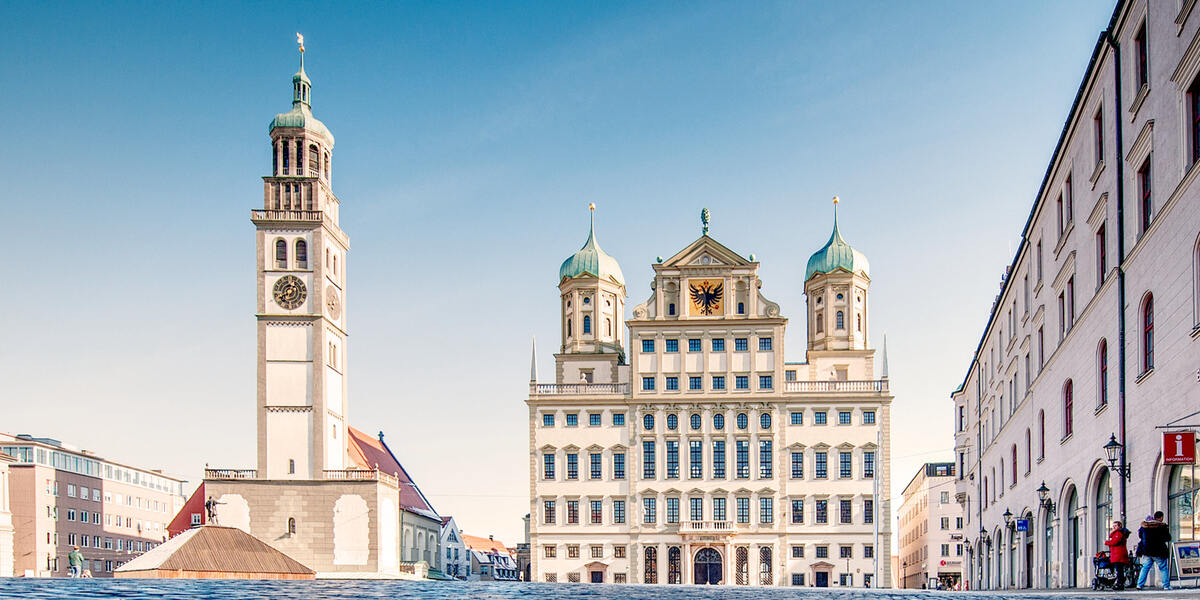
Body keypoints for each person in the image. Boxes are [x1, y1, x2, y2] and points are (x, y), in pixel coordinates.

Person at [1136, 511, 1172, 590]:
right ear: (1161, 518)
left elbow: (1140, 536)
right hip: (1159, 551)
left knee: (1145, 568)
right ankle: (1166, 586)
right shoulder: (1161, 526)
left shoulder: (1144, 526)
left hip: (1147, 551)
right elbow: (1168, 538)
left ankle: (1139, 584)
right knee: (1163, 568)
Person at [1104, 520, 1130, 589]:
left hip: (1118, 554)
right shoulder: (1119, 533)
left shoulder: (1118, 533)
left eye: (1115, 526)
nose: (1114, 527)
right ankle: (1120, 582)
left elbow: (1114, 542)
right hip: (1118, 554)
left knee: (1119, 570)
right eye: (1113, 526)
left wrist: (1107, 542)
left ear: (1119, 526)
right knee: (1119, 570)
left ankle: (1120, 583)